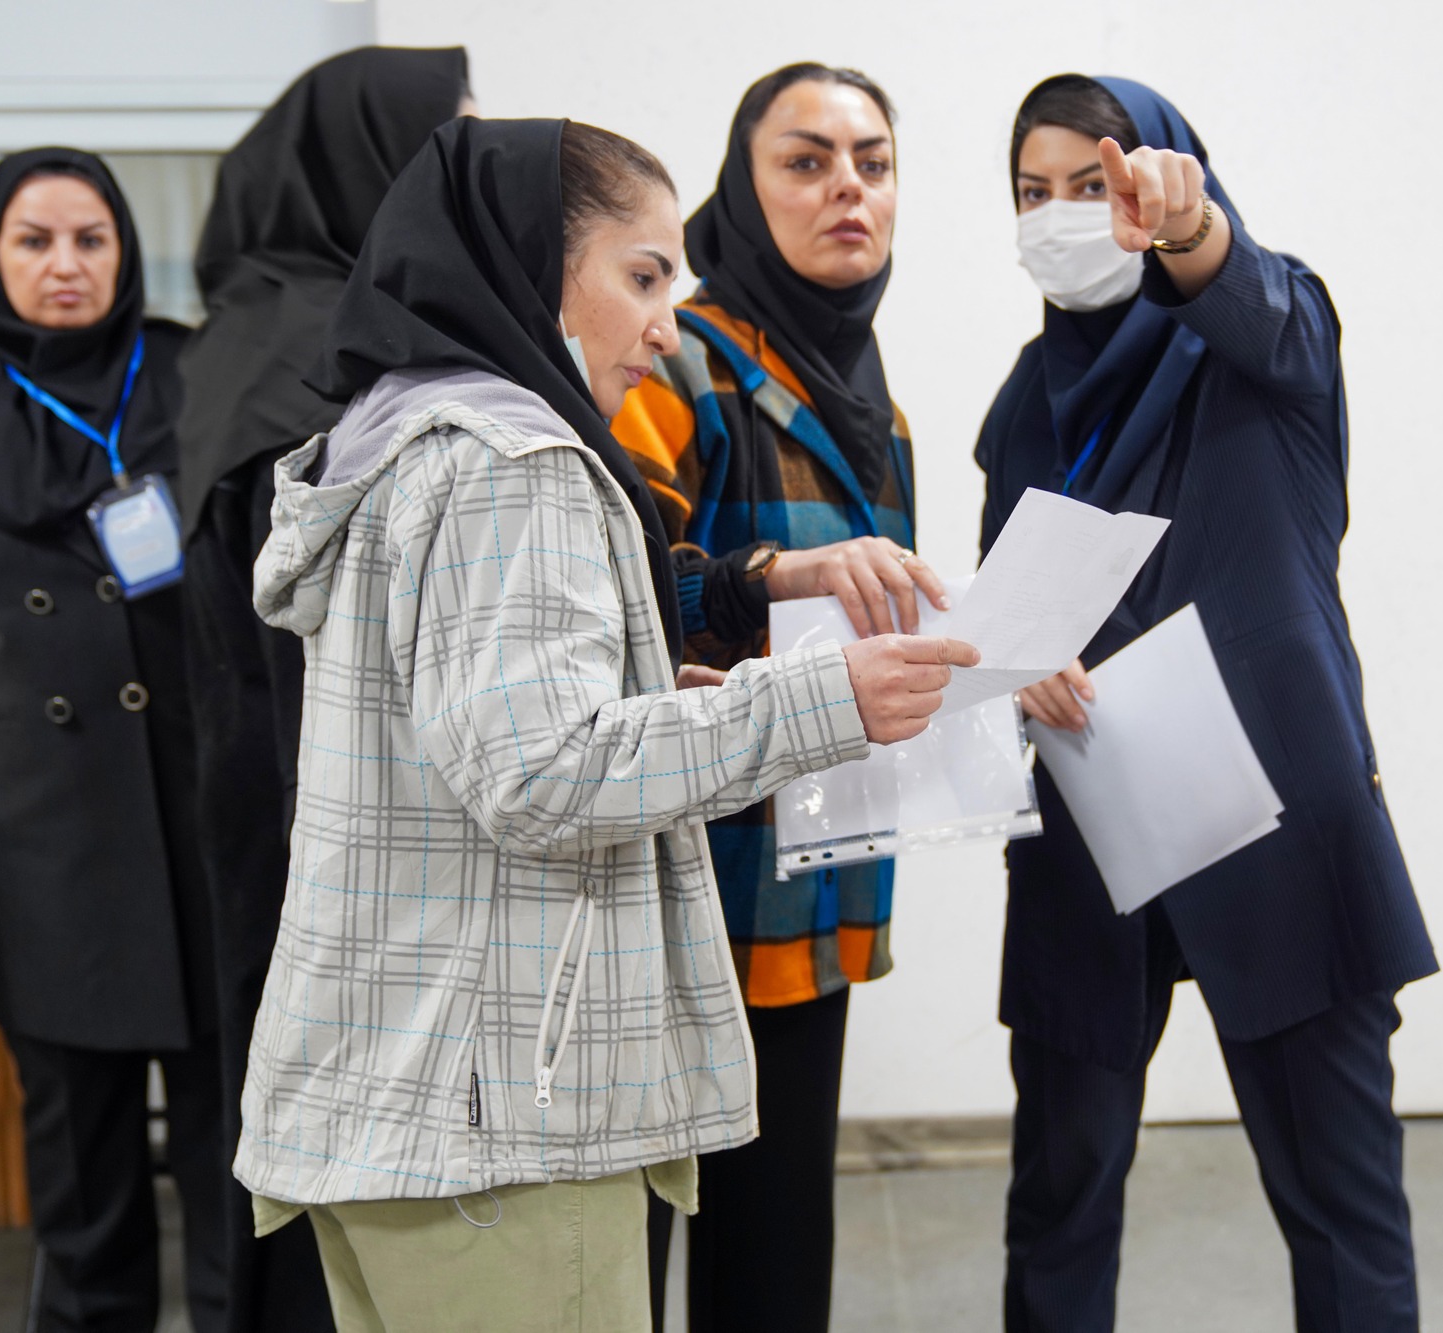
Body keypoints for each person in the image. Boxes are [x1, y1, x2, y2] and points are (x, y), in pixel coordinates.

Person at [231, 114, 974, 1333]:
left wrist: (673, 683)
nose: (664, 326)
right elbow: (542, 776)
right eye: (640, 277)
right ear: (534, 268)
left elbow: (462, 729)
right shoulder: (514, 463)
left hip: (396, 1098)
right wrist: (821, 699)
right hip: (502, 1121)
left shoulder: (401, 434)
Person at [977, 76, 1438, 1332]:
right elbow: (1002, 603)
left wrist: (1187, 232)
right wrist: (1013, 661)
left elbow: (1260, 304)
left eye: (1093, 183)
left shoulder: (1265, 339)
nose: (1061, 214)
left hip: (1273, 822)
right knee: (1058, 1193)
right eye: (1032, 191)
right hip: (1089, 831)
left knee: (1339, 1203)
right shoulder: (1023, 402)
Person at [610, 62, 940, 1330]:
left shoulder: (877, 409)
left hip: (815, 875)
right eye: (805, 161)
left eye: (873, 162)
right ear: (741, 195)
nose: (848, 188)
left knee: (778, 1248)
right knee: (634, 1253)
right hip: (684, 889)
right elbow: (616, 590)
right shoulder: (678, 363)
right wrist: (761, 577)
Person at [0, 149, 225, 1332]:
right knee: (81, 1167)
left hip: (203, 815)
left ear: (124, 250)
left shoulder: (197, 372)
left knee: (234, 1155)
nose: (65, 264)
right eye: (34, 241)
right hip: (42, 838)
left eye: (92, 238)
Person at [172, 46, 472, 1331]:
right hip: (318, 811)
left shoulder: (259, 328)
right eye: (445, 145)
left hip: (267, 798)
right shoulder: (315, 355)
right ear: (372, 165)